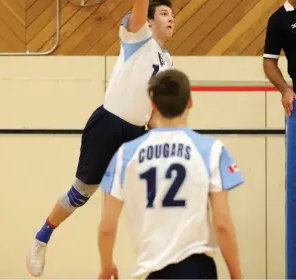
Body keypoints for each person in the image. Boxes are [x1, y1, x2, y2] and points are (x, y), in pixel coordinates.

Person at [26, 0, 175, 277]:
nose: (170, 17)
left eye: (172, 14)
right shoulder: (137, 37)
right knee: (81, 193)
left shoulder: (167, 61)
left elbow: (154, 110)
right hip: (108, 123)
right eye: (163, 13)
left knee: (134, 198)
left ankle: (125, 263)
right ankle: (42, 237)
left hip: (136, 132)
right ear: (148, 21)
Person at [97, 69, 244, 279]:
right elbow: (222, 224)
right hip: (198, 270)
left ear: (153, 106)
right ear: (190, 102)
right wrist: (237, 276)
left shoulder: (126, 155)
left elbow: (107, 227)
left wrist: (107, 265)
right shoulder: (212, 151)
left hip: (154, 271)